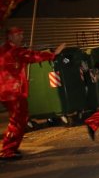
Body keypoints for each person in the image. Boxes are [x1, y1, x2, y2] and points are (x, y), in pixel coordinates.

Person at [0, 27, 65, 160]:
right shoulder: (13, 51)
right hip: (14, 91)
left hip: (8, 91)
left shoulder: (4, 50)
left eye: (22, 34)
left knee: (20, 119)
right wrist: (53, 54)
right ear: (10, 37)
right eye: (18, 35)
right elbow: (32, 56)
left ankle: (11, 147)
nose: (21, 37)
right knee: (17, 121)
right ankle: (7, 150)